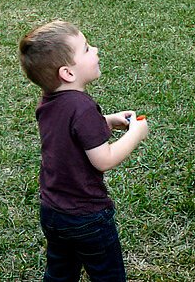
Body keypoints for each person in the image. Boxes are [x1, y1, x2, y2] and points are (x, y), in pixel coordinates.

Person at [18, 20, 151, 282]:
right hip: (87, 216)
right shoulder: (82, 108)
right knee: (107, 275)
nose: (96, 49)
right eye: (87, 49)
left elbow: (69, 133)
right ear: (68, 73)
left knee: (60, 272)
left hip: (53, 211)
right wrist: (136, 134)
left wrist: (107, 121)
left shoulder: (48, 102)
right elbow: (103, 159)